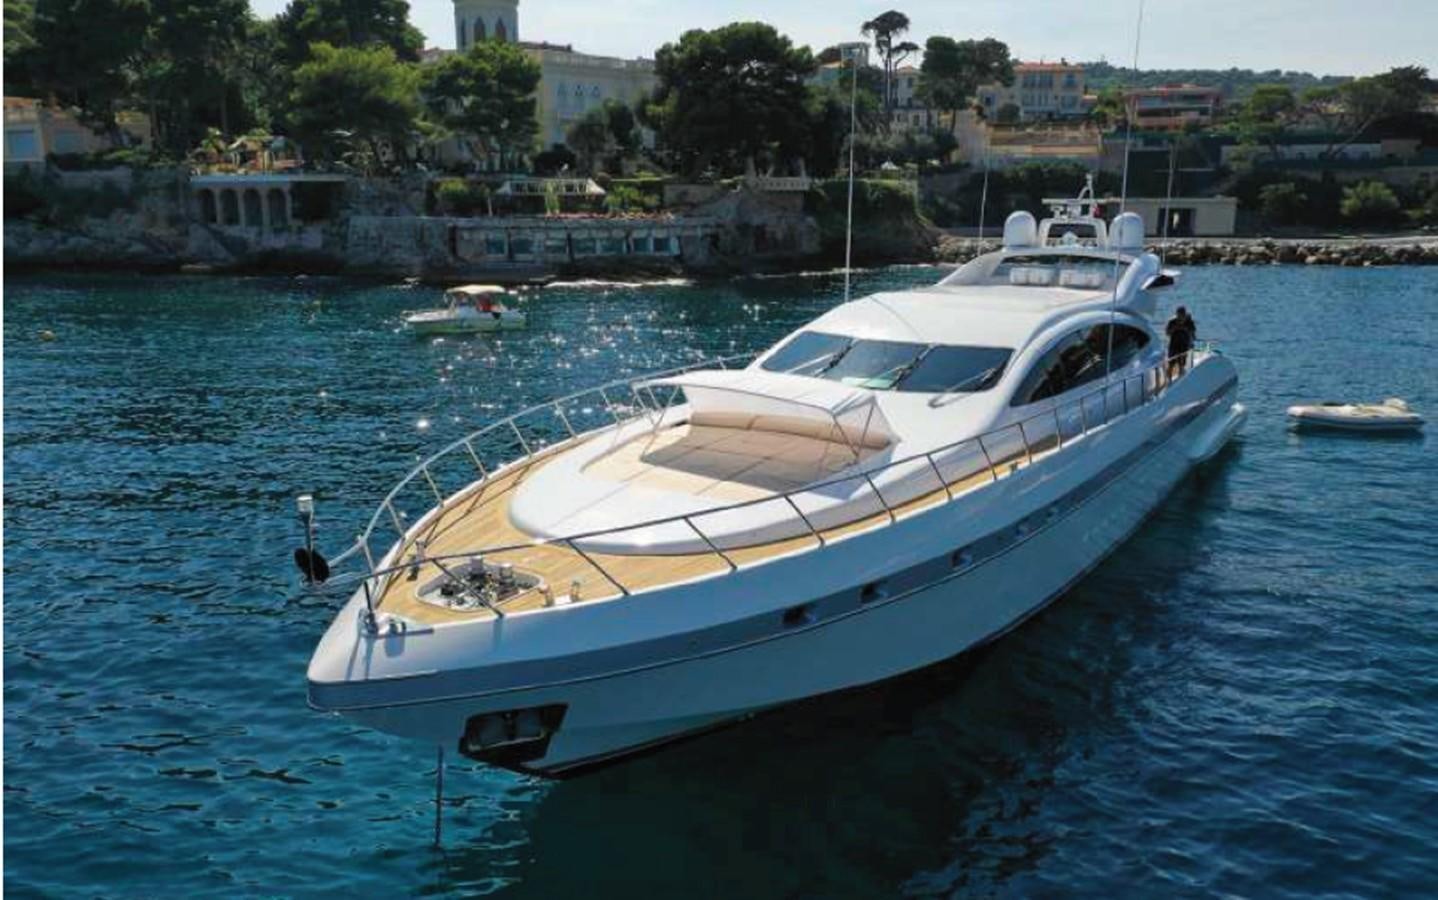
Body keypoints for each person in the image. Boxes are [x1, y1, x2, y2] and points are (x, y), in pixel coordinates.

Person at [1165, 306, 1196, 378]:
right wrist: (1175, 329)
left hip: (1184, 344)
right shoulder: (1172, 322)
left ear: (1184, 315)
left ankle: (1180, 376)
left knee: (1182, 363)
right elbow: (1167, 333)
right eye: (1179, 315)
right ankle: (1168, 378)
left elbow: (1193, 334)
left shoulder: (1189, 322)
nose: (1180, 318)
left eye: (1182, 315)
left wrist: (1186, 330)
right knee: (1171, 363)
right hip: (1173, 345)